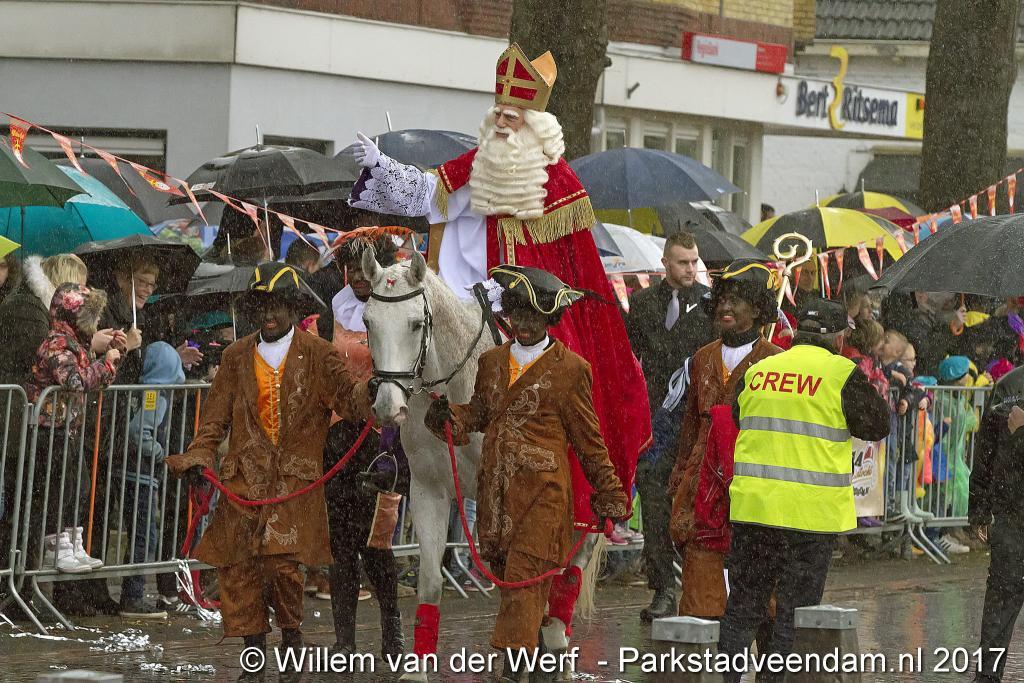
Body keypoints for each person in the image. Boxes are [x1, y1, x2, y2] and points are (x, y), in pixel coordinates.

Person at [348, 45, 651, 572]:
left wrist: (520, 293)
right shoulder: (479, 163)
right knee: (412, 355)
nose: (504, 121)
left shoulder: (559, 184)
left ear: (535, 122)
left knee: (566, 378)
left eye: (515, 114)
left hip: (535, 305)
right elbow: (431, 194)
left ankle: (577, 489)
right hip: (467, 294)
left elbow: (568, 266)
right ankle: (395, 454)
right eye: (500, 112)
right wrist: (384, 167)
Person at [164, 263, 370, 683]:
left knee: (282, 570)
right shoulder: (235, 356)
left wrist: (379, 387)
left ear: (294, 308)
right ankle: (253, 660)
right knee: (240, 573)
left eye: (277, 305)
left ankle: (292, 642)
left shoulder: (320, 354)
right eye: (262, 305)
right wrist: (199, 456)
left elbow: (351, 402)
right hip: (243, 482)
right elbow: (213, 421)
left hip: (295, 483)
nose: (269, 314)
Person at [423, 265, 629, 683]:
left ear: (551, 319)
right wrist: (450, 416)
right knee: (516, 587)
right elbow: (479, 414)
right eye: (519, 313)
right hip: (497, 497)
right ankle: (540, 666)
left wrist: (610, 493)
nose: (525, 324)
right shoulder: (491, 362)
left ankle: (513, 671)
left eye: (536, 315)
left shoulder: (572, 369)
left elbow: (589, 441)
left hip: (544, 498)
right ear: (509, 313)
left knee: (523, 582)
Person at [718, 299, 890, 682]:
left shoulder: (759, 370)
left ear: (797, 333)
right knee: (794, 617)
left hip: (754, 512)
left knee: (743, 609)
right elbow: (878, 425)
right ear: (839, 338)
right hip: (809, 519)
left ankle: (722, 678)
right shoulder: (841, 374)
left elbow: (738, 416)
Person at [666, 260, 782, 621]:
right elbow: (690, 426)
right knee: (700, 599)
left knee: (764, 602)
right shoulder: (702, 358)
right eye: (722, 299)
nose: (725, 307)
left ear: (758, 309)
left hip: (754, 487)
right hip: (702, 489)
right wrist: (680, 477)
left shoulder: (777, 362)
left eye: (737, 300)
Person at [324, 237, 408, 659]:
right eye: (351, 268)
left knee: (376, 543)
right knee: (340, 548)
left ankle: (392, 632)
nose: (357, 277)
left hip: (380, 441)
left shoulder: (395, 307)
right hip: (339, 438)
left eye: (364, 267)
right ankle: (344, 640)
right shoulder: (334, 308)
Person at [625, 231, 713, 620]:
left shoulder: (710, 306)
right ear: (665, 263)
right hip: (655, 424)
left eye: (694, 262)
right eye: (683, 262)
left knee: (697, 509)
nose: (691, 269)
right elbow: (631, 360)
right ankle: (663, 589)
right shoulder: (643, 304)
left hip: (695, 422)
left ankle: (700, 591)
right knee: (655, 507)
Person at [25, 284, 123, 615]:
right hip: (47, 430)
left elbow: (91, 380)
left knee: (78, 487)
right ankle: (57, 544)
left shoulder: (75, 343)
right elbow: (76, 381)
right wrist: (106, 364)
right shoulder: (56, 342)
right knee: (59, 489)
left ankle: (72, 540)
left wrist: (110, 358)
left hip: (66, 429)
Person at [117, 341, 184, 619]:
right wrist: (159, 452)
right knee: (144, 536)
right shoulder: (155, 395)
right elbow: (138, 432)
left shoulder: (146, 390)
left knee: (142, 535)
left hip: (134, 472)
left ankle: (133, 594)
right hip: (140, 474)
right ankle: (132, 597)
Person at [970, 364, 1024, 682]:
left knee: (999, 611)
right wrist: (979, 508)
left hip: (1010, 516)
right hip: (1011, 518)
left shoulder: (1009, 385)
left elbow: (985, 454)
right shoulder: (1008, 386)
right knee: (999, 613)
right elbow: (986, 452)